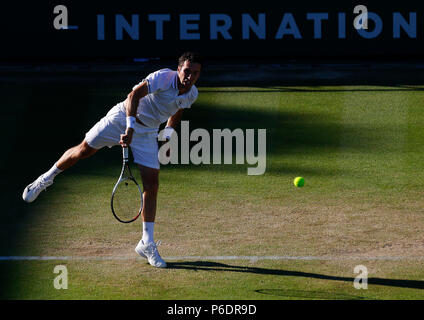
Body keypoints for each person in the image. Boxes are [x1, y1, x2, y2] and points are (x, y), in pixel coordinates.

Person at [22, 52, 202, 268]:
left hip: (147, 133)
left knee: (152, 184)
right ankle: (46, 178)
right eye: (187, 71)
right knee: (84, 150)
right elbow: (133, 95)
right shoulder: (163, 77)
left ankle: (147, 242)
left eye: (195, 73)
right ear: (179, 69)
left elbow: (178, 107)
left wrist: (170, 131)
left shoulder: (192, 93)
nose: (190, 76)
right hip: (122, 118)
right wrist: (130, 127)